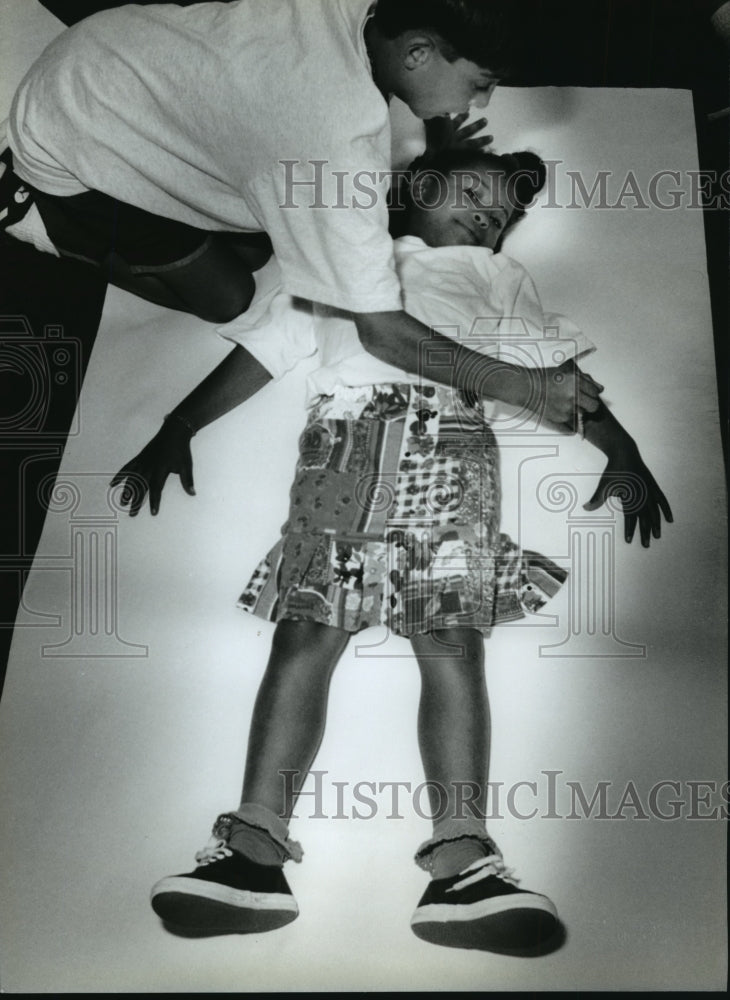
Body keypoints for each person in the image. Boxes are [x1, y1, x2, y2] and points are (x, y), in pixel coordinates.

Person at [112, 147, 672, 951]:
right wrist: (178, 426)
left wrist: (622, 450)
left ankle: (462, 862)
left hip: (453, 457)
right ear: (413, 190)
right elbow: (266, 350)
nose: (490, 212)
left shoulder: (494, 277)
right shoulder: (347, 262)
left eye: (503, 210)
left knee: (450, 644)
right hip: (344, 452)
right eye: (473, 192)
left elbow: (553, 372)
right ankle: (253, 852)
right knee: (305, 632)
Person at [3, 0, 601, 424]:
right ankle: (38, 216)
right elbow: (382, 332)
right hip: (73, 140)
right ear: (418, 52)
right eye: (480, 84)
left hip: (105, 47)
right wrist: (520, 385)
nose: (483, 101)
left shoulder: (365, 14)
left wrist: (437, 152)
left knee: (260, 243)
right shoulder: (334, 141)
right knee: (229, 297)